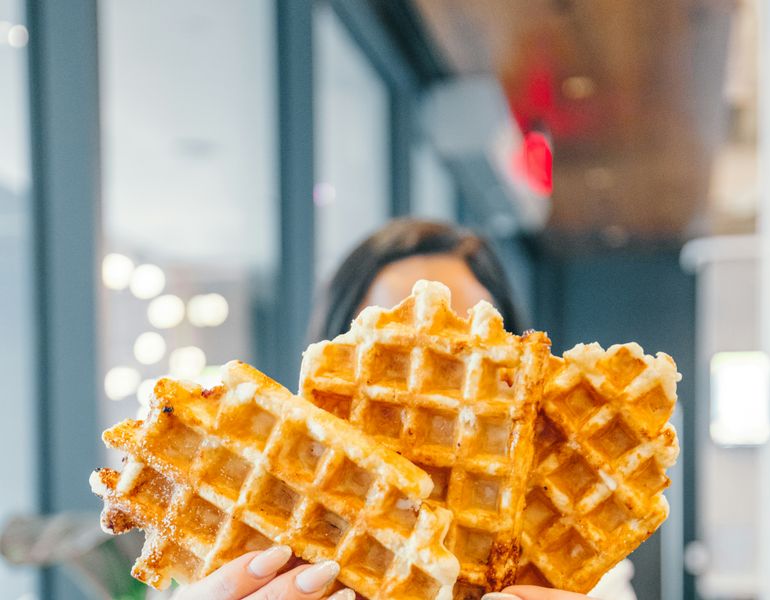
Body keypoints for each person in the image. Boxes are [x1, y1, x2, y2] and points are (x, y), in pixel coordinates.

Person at [176, 219, 635, 600]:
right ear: (331, 354)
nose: (447, 353)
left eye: (480, 329)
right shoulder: (261, 530)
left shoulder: (578, 575)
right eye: (397, 324)